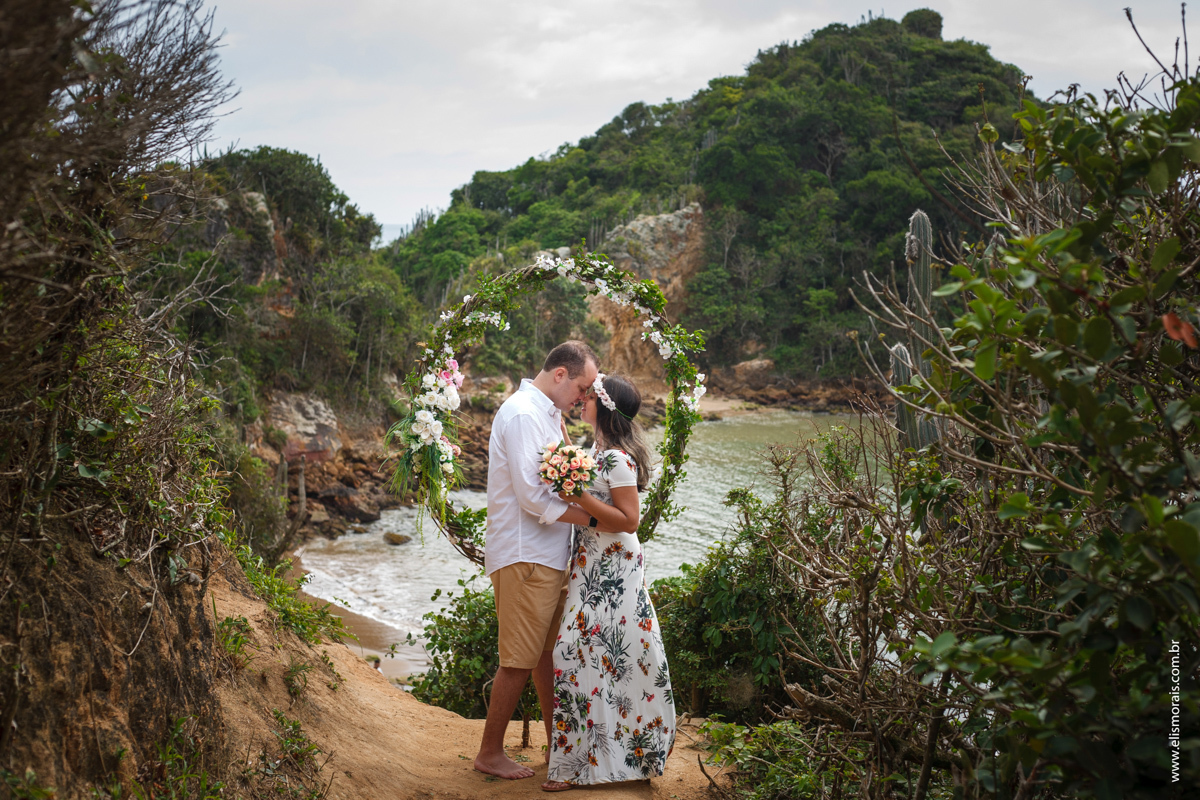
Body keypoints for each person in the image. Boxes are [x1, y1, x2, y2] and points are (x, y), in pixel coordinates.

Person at [473, 341, 601, 780]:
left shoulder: (546, 413)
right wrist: (593, 517)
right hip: (527, 553)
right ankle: (490, 753)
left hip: (546, 555)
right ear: (561, 374)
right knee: (519, 658)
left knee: (545, 655)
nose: (584, 397)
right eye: (582, 386)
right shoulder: (526, 414)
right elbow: (531, 496)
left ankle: (556, 747)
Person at [542, 373, 676, 792]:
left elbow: (629, 520)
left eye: (588, 395)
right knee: (590, 653)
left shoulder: (618, 459)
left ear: (604, 404)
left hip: (614, 568)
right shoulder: (595, 452)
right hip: (590, 563)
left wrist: (574, 492)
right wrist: (564, 448)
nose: (581, 399)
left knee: (580, 649)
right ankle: (587, 758)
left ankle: (605, 757)